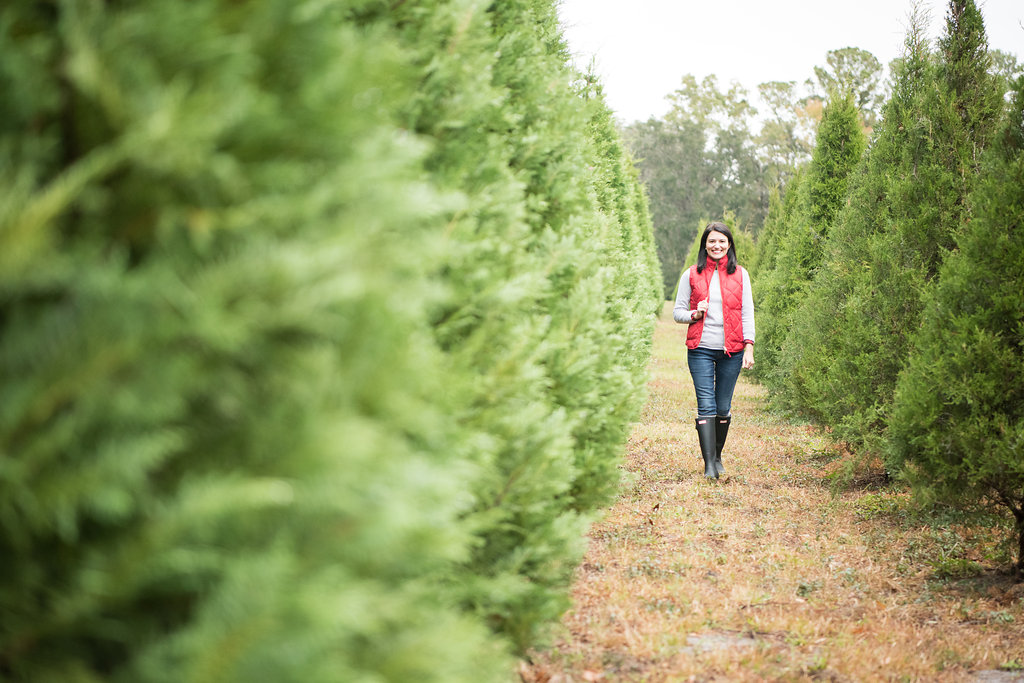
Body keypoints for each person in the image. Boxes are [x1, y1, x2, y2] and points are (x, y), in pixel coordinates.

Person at [673, 222, 755, 479]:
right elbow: (677, 312)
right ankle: (709, 466)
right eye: (711, 241)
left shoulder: (741, 274)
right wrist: (695, 314)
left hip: (732, 350)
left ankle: (718, 456)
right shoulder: (691, 274)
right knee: (706, 404)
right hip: (701, 349)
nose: (716, 245)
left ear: (729, 244)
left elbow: (747, 313)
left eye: (721, 241)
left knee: (723, 405)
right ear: (704, 245)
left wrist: (749, 347)